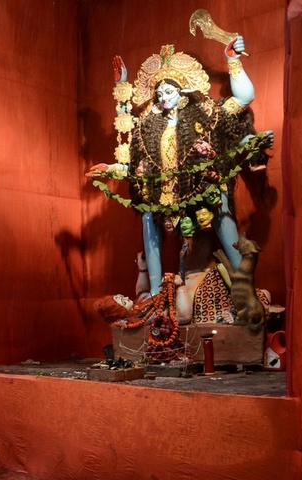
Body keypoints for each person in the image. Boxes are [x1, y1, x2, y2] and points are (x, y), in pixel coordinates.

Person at [87, 36, 273, 302]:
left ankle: (244, 282)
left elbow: (244, 98)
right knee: (148, 214)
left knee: (219, 202)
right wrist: (110, 168)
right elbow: (131, 156)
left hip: (200, 188)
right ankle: (155, 291)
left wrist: (233, 60)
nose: (163, 98)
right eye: (160, 94)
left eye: (169, 92)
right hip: (161, 195)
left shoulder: (206, 113)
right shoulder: (147, 126)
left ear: (183, 93)